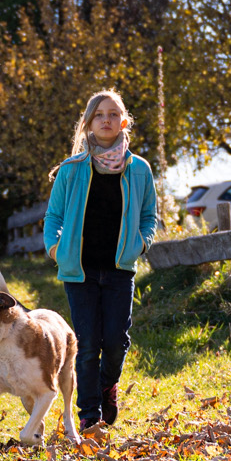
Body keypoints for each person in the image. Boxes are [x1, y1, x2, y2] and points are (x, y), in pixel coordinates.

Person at [43, 90, 158, 431]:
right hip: (79, 271)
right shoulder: (72, 169)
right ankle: (89, 413)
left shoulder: (139, 169)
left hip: (120, 269)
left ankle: (107, 385)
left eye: (113, 114)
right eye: (99, 115)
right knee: (88, 342)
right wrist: (55, 249)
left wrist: (141, 243)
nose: (106, 120)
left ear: (124, 121)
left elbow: (150, 215)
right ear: (89, 123)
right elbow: (54, 216)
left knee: (117, 339)